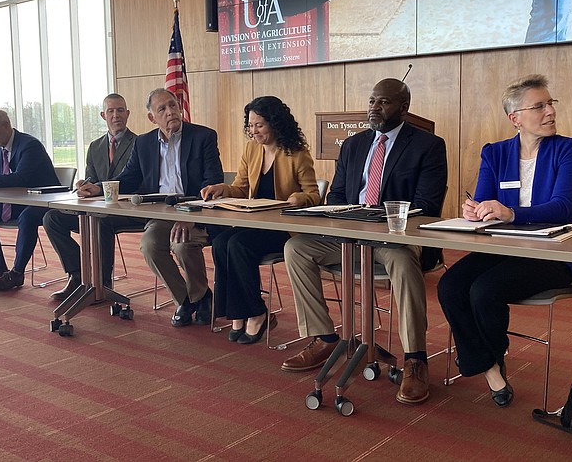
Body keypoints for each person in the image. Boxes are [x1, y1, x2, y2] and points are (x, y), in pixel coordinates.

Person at [282, 78, 447, 405]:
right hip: (350, 236)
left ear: (404, 107)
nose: (374, 108)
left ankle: (415, 359)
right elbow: (337, 195)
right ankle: (325, 337)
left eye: (383, 102)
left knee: (401, 261)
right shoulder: (354, 145)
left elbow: (426, 206)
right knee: (296, 247)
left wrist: (380, 220)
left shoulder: (428, 145)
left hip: (394, 241)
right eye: (371, 101)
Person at [437, 74, 572, 408]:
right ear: (515, 118)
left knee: (484, 291)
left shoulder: (567, 149)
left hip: (552, 254)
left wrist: (509, 212)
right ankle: (490, 363)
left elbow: (563, 207)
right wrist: (476, 210)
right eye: (540, 106)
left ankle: (484, 363)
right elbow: (484, 202)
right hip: (503, 248)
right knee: (450, 285)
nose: (550, 111)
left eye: (551, 103)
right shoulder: (494, 153)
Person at [77, 88, 224, 327]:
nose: (170, 112)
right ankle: (190, 300)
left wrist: (192, 215)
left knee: (182, 243)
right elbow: (129, 179)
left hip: (196, 210)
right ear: (151, 118)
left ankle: (197, 297)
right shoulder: (144, 143)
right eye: (162, 109)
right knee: (149, 245)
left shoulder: (203, 137)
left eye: (173, 105)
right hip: (161, 212)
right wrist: (97, 188)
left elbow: (213, 182)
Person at [201, 96, 320, 344]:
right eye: (251, 125)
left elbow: (313, 195)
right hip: (255, 223)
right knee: (221, 242)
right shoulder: (252, 149)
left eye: (259, 125)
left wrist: (297, 198)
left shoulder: (297, 154)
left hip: (284, 228)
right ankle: (238, 313)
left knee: (237, 245)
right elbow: (241, 188)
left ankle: (256, 312)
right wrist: (222, 189)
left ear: (275, 124)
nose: (253, 131)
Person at [43, 93, 138, 301]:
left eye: (120, 110)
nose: (116, 115)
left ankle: (102, 285)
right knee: (52, 218)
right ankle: (77, 275)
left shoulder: (139, 144)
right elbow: (93, 177)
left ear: (128, 114)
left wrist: (100, 189)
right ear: (103, 115)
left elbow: (137, 180)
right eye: (111, 111)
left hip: (128, 209)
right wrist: (85, 185)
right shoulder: (95, 146)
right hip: (98, 208)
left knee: (100, 221)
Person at [0, 109, 60, 291]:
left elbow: (20, 178)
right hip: (17, 202)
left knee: (27, 217)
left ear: (5, 126)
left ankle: (17, 273)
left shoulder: (30, 145)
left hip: (43, 201)